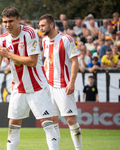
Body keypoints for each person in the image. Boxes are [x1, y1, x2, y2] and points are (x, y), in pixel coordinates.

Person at [0, 7, 59, 150]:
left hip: (37, 86)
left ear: (18, 20)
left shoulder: (29, 33)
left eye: (10, 21)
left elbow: (32, 61)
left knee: (47, 124)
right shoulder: (2, 40)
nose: (7, 25)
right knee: (13, 126)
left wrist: (8, 54)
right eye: (5, 22)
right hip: (18, 88)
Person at [39, 14, 82, 150]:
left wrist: (72, 82)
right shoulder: (44, 41)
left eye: (43, 26)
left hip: (63, 86)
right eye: (39, 26)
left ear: (51, 25)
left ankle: (78, 148)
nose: (40, 28)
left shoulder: (66, 39)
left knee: (70, 120)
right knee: (52, 121)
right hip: (49, 86)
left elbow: (75, 62)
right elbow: (47, 59)